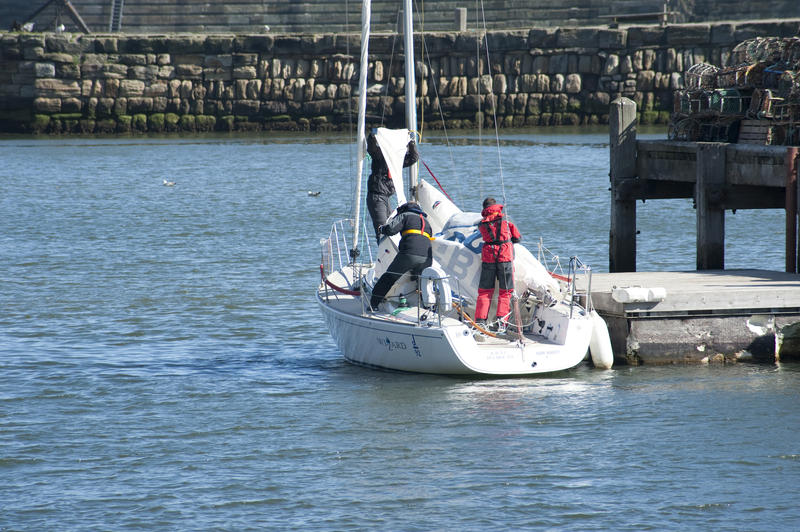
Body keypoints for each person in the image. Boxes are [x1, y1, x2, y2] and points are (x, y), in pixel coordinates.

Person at [369, 202, 433, 311]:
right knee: (422, 282)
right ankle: (428, 307)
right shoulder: (426, 221)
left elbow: (391, 230)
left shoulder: (405, 215)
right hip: (427, 258)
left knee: (388, 278)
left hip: (409, 254)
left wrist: (381, 229)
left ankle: (373, 304)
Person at [475, 197, 521, 331]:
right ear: (496, 206)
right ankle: (502, 322)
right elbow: (517, 238)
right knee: (505, 291)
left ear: (484, 209)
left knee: (485, 291)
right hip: (505, 257)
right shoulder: (507, 220)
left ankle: (481, 321)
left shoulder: (481, 224)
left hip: (489, 257)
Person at [366, 131, 419, 241]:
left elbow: (413, 158)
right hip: (376, 196)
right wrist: (372, 136)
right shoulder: (380, 155)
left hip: (386, 197)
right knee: (382, 230)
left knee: (391, 228)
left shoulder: (397, 160)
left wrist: (411, 143)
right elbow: (371, 149)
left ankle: (393, 254)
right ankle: (384, 255)